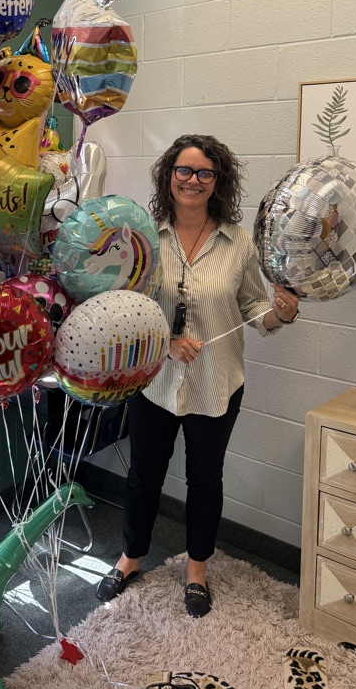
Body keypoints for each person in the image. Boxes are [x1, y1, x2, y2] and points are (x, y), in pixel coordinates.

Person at [95, 134, 299, 617]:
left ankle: (197, 569)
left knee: (205, 479)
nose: (192, 180)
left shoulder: (238, 243)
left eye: (204, 173)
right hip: (154, 382)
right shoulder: (143, 237)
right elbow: (124, 308)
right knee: (144, 476)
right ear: (169, 176)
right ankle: (129, 558)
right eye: (184, 170)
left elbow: (255, 309)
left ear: (217, 182)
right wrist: (163, 343)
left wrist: (282, 313)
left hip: (217, 384)